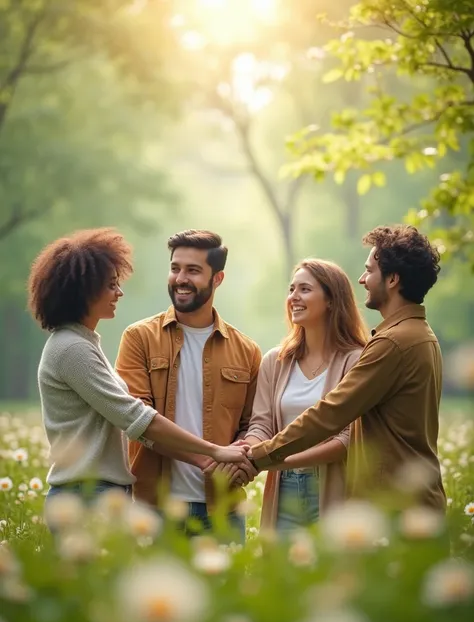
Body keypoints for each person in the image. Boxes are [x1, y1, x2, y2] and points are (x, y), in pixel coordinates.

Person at [27, 228, 247, 505]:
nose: (119, 292)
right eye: (110, 285)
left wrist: (208, 459)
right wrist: (214, 452)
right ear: (84, 290)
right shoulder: (72, 349)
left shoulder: (85, 343)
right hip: (84, 495)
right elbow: (136, 417)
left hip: (99, 492)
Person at [247, 225, 446, 511]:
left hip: (397, 505)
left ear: (392, 280)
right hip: (409, 501)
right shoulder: (419, 334)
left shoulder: (393, 343)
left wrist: (259, 457)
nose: (363, 279)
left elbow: (331, 413)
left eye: (369, 271)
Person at [115, 229, 261, 541]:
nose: (180, 278)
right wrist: (211, 456)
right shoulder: (139, 338)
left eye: (193, 270)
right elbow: (137, 419)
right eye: (175, 268)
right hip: (154, 508)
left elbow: (254, 425)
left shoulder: (247, 351)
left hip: (223, 508)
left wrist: (243, 459)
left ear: (217, 279)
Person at [241, 259, 367, 535]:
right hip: (283, 486)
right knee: (281, 573)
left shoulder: (356, 360)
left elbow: (348, 438)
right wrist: (247, 452)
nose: (293, 298)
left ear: (332, 300)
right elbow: (261, 425)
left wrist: (275, 459)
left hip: (333, 486)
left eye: (305, 289)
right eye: (291, 289)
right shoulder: (275, 361)